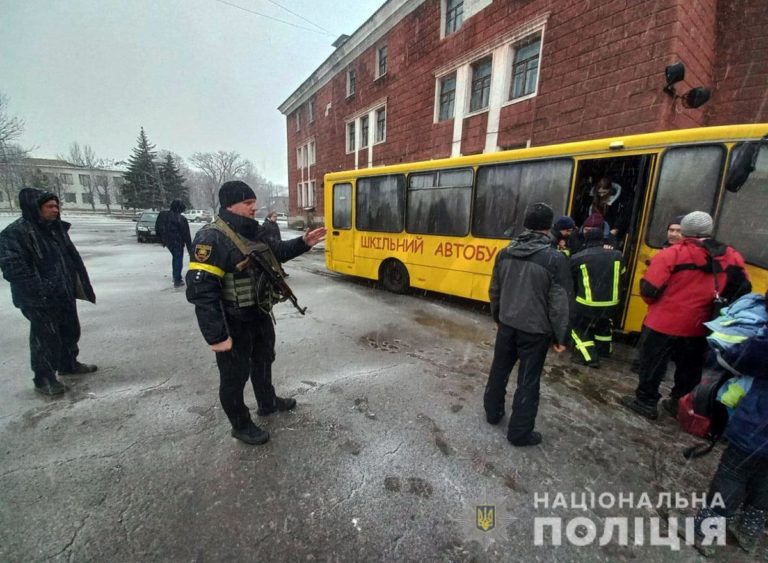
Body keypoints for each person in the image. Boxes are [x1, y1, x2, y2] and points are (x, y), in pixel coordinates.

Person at [186, 181, 326, 445]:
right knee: (234, 375)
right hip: (233, 320)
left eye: (254, 202)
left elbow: (275, 253)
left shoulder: (254, 231)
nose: (255, 207)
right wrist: (217, 336)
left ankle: (267, 402)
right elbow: (201, 291)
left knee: (264, 359)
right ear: (230, 205)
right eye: (248, 203)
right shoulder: (211, 238)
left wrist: (303, 243)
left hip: (259, 313)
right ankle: (240, 424)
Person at [621, 211, 751, 420]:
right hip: (702, 323)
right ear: (709, 230)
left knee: (653, 362)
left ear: (686, 231)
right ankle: (679, 402)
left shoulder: (672, 254)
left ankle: (646, 401)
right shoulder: (731, 255)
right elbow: (742, 288)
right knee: (689, 367)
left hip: (664, 321)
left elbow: (649, 290)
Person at [483, 202, 572, 446]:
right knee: (528, 381)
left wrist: (498, 318)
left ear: (525, 224)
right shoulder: (555, 259)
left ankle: (493, 413)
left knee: (499, 370)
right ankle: (519, 433)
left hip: (507, 325)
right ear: (548, 228)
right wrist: (560, 337)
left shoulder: (505, 252)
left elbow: (495, 291)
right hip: (536, 332)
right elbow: (559, 304)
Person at [0, 188, 97, 396]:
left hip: (63, 293)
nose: (55, 210)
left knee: (70, 330)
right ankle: (44, 379)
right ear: (36, 208)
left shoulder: (55, 230)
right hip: (38, 299)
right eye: (50, 206)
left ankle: (68, 364)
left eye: (56, 205)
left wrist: (76, 283)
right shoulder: (15, 233)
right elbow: (13, 269)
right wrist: (42, 288)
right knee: (45, 338)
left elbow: (69, 258)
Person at [689, 330, 768, 557]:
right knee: (764, 478)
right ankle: (748, 531)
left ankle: (706, 533)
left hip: (757, 427)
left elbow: (739, 356)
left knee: (732, 474)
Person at [569, 214, 623, 368]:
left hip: (587, 303)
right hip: (611, 303)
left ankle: (589, 357)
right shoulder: (617, 255)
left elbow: (570, 277)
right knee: (603, 325)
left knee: (577, 328)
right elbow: (622, 274)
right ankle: (604, 351)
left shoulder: (579, 257)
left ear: (586, 239)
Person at [156, 199, 193, 287]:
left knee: (175, 258)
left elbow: (157, 227)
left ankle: (175, 276)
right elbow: (186, 235)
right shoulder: (181, 219)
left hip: (168, 241)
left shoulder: (163, 215)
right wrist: (190, 249)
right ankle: (177, 280)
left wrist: (161, 239)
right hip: (177, 241)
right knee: (178, 259)